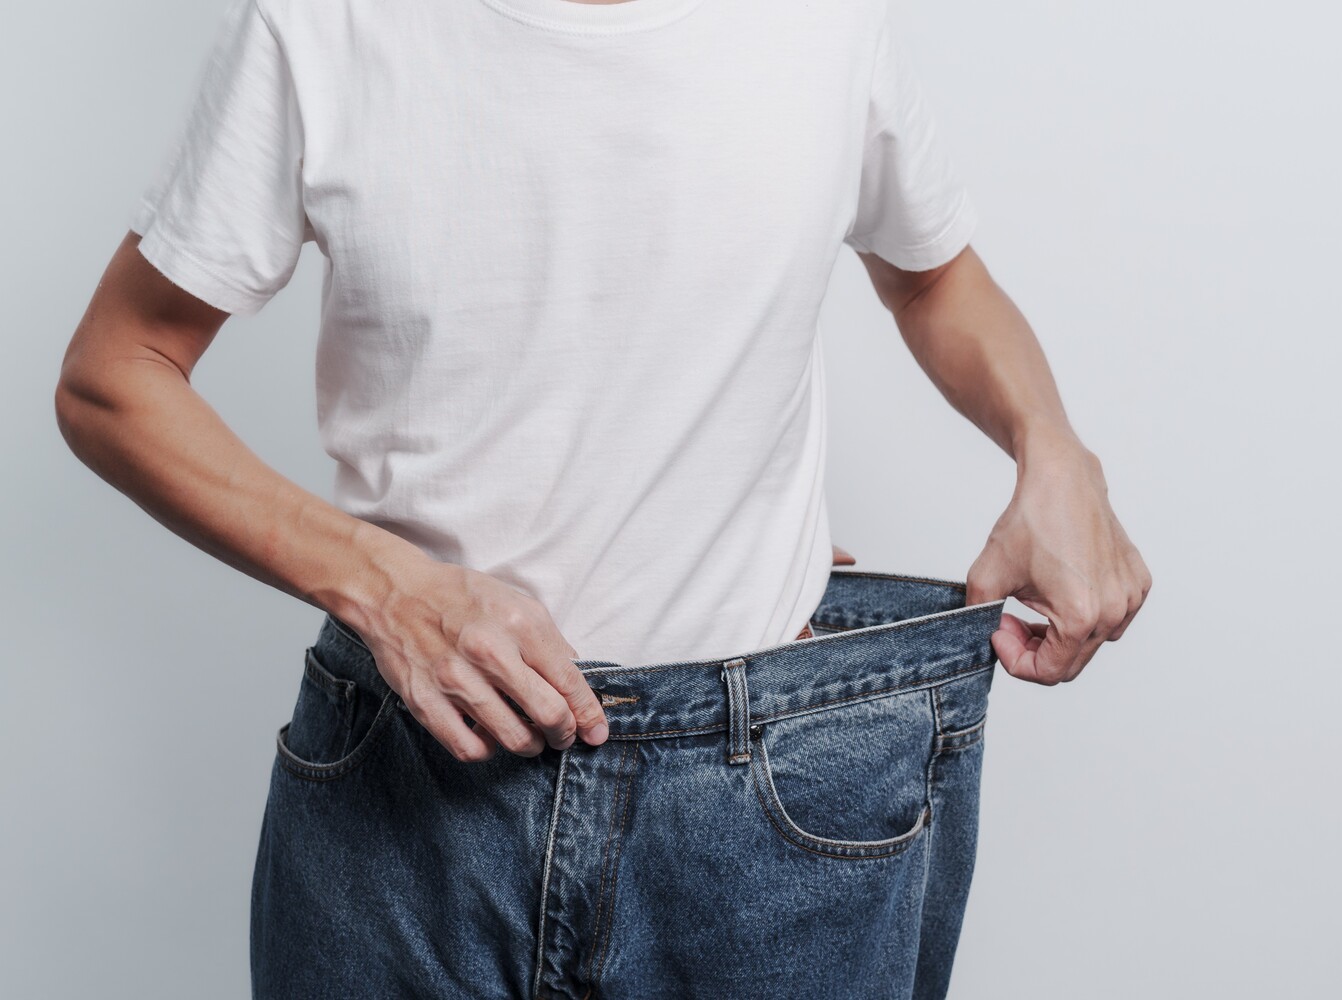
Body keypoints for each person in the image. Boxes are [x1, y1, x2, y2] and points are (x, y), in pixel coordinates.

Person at [55, 0, 1150, 997]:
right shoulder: (321, 26)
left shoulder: (823, 22)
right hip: (411, 802)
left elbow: (929, 271)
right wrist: (386, 588)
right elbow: (117, 373)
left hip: (770, 813)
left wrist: (1053, 449)